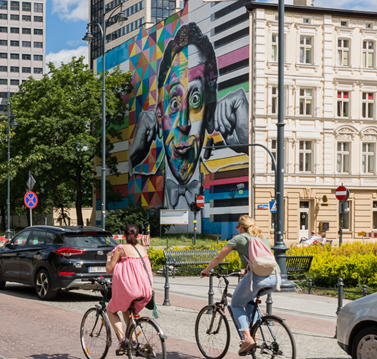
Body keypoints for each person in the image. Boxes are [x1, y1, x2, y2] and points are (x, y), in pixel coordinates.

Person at [128, 23, 249, 212]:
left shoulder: (229, 180)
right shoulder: (141, 186)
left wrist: (249, 144)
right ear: (159, 114)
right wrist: (132, 156)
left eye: (195, 99)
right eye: (174, 103)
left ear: (210, 111)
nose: (183, 125)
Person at [201, 215, 277, 356]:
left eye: (237, 227)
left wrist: (206, 271)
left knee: (236, 304)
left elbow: (218, 257)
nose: (237, 229)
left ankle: (247, 338)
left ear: (241, 227)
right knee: (248, 300)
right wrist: (246, 269)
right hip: (274, 278)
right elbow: (262, 260)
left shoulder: (239, 239)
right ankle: (255, 335)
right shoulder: (262, 237)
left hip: (257, 279)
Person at [105, 224, 154, 355]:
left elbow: (109, 269)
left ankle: (122, 340)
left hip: (129, 290)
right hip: (145, 290)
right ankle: (133, 341)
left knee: (110, 310)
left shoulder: (120, 249)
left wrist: (108, 258)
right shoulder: (143, 249)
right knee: (126, 310)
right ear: (138, 236)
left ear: (124, 235)